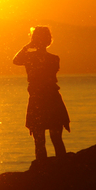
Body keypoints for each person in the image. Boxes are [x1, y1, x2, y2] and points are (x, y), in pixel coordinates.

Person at [12, 26, 71, 161]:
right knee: (56, 139)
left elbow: (16, 60)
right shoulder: (53, 59)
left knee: (40, 141)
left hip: (40, 100)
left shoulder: (31, 57)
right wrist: (29, 48)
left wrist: (27, 47)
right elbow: (16, 61)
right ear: (49, 40)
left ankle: (42, 168)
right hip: (51, 100)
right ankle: (61, 166)